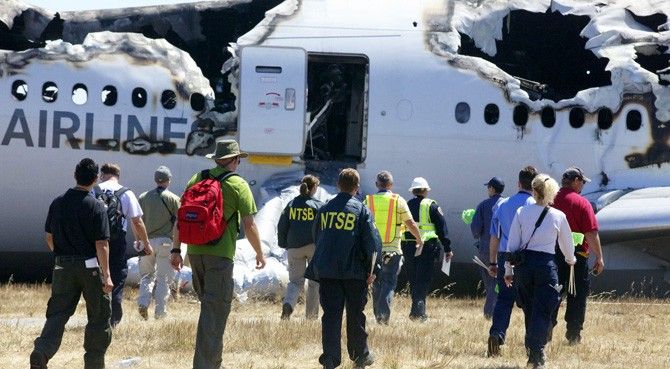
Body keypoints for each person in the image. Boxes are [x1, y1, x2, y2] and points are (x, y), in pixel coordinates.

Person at [170, 139, 266, 369]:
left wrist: (176, 250)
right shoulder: (237, 184)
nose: (239, 163)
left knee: (210, 310)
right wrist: (260, 253)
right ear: (233, 160)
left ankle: (214, 362)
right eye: (239, 159)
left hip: (195, 254)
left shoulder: (198, 178)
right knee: (214, 313)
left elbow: (180, 219)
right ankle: (205, 365)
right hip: (220, 256)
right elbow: (249, 225)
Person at [31, 158, 113, 369]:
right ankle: (94, 365)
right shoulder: (96, 206)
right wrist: (107, 275)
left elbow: (49, 236)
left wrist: (61, 256)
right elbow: (101, 243)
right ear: (95, 179)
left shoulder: (58, 202)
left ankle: (42, 351)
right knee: (98, 316)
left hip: (62, 265)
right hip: (90, 267)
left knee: (58, 313)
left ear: (74, 175)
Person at [305, 168, 382, 369]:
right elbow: (372, 243)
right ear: (357, 188)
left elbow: (317, 237)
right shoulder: (362, 210)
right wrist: (373, 269)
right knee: (355, 315)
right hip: (355, 274)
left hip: (328, 272)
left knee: (331, 315)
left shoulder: (324, 209)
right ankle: (360, 356)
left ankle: (330, 359)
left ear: (339, 185)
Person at [504, 174, 577, 369]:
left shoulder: (521, 212)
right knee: (543, 309)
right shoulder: (558, 216)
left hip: (524, 266)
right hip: (546, 266)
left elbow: (512, 244)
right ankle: (537, 352)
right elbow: (567, 245)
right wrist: (571, 260)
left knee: (529, 308)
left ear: (534, 191)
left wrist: (508, 269)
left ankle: (532, 351)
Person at [486, 165, 538, 357]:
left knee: (504, 300)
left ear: (518, 183)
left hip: (505, 254)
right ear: (535, 184)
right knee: (530, 301)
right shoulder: (537, 205)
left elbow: (495, 236)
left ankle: (497, 334)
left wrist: (492, 262)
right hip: (529, 257)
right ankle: (531, 343)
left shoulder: (502, 204)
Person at [550, 166, 605, 345]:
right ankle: (573, 335)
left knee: (552, 292)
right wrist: (599, 257)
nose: (582, 185)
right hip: (576, 257)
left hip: (552, 256)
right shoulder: (582, 203)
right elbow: (590, 232)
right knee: (576, 295)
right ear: (575, 181)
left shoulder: (550, 200)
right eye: (582, 181)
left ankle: (545, 328)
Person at [364, 171, 423, 324]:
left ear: (377, 184)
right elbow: (410, 223)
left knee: (376, 282)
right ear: (391, 185)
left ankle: (378, 316)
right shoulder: (398, 201)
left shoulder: (368, 201)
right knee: (389, 283)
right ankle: (383, 317)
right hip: (393, 249)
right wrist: (419, 240)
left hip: (373, 250)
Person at [96, 163, 151, 327]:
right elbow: (137, 220)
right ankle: (114, 318)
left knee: (98, 275)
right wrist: (145, 243)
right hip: (117, 239)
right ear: (117, 176)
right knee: (118, 275)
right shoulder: (126, 193)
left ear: (102, 174)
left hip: (96, 240)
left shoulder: (94, 190)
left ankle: (98, 316)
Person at [401, 177, 452, 321]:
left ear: (413, 191)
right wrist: (447, 247)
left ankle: (415, 311)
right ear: (425, 190)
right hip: (427, 247)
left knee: (413, 279)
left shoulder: (406, 205)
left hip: (409, 246)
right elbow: (442, 229)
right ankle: (419, 312)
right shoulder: (432, 206)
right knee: (423, 279)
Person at [278, 174, 324, 320]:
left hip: (294, 247)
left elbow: (282, 226)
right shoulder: (318, 205)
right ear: (314, 188)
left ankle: (288, 305)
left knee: (295, 282)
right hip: (313, 247)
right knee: (314, 283)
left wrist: (283, 244)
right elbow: (323, 227)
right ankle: (311, 317)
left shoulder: (291, 204)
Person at [137, 166, 180, 320]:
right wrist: (177, 247)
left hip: (147, 242)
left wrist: (139, 240)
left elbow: (137, 221)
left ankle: (143, 302)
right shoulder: (174, 199)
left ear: (155, 180)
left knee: (146, 275)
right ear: (169, 180)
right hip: (166, 243)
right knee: (163, 278)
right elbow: (178, 224)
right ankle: (160, 313)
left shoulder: (143, 197)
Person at [471, 177, 505, 319]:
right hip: (505, 249)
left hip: (486, 249)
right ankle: (500, 310)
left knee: (490, 283)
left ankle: (490, 313)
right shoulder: (507, 204)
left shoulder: (484, 205)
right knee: (502, 282)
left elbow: (476, 231)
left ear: (492, 189)